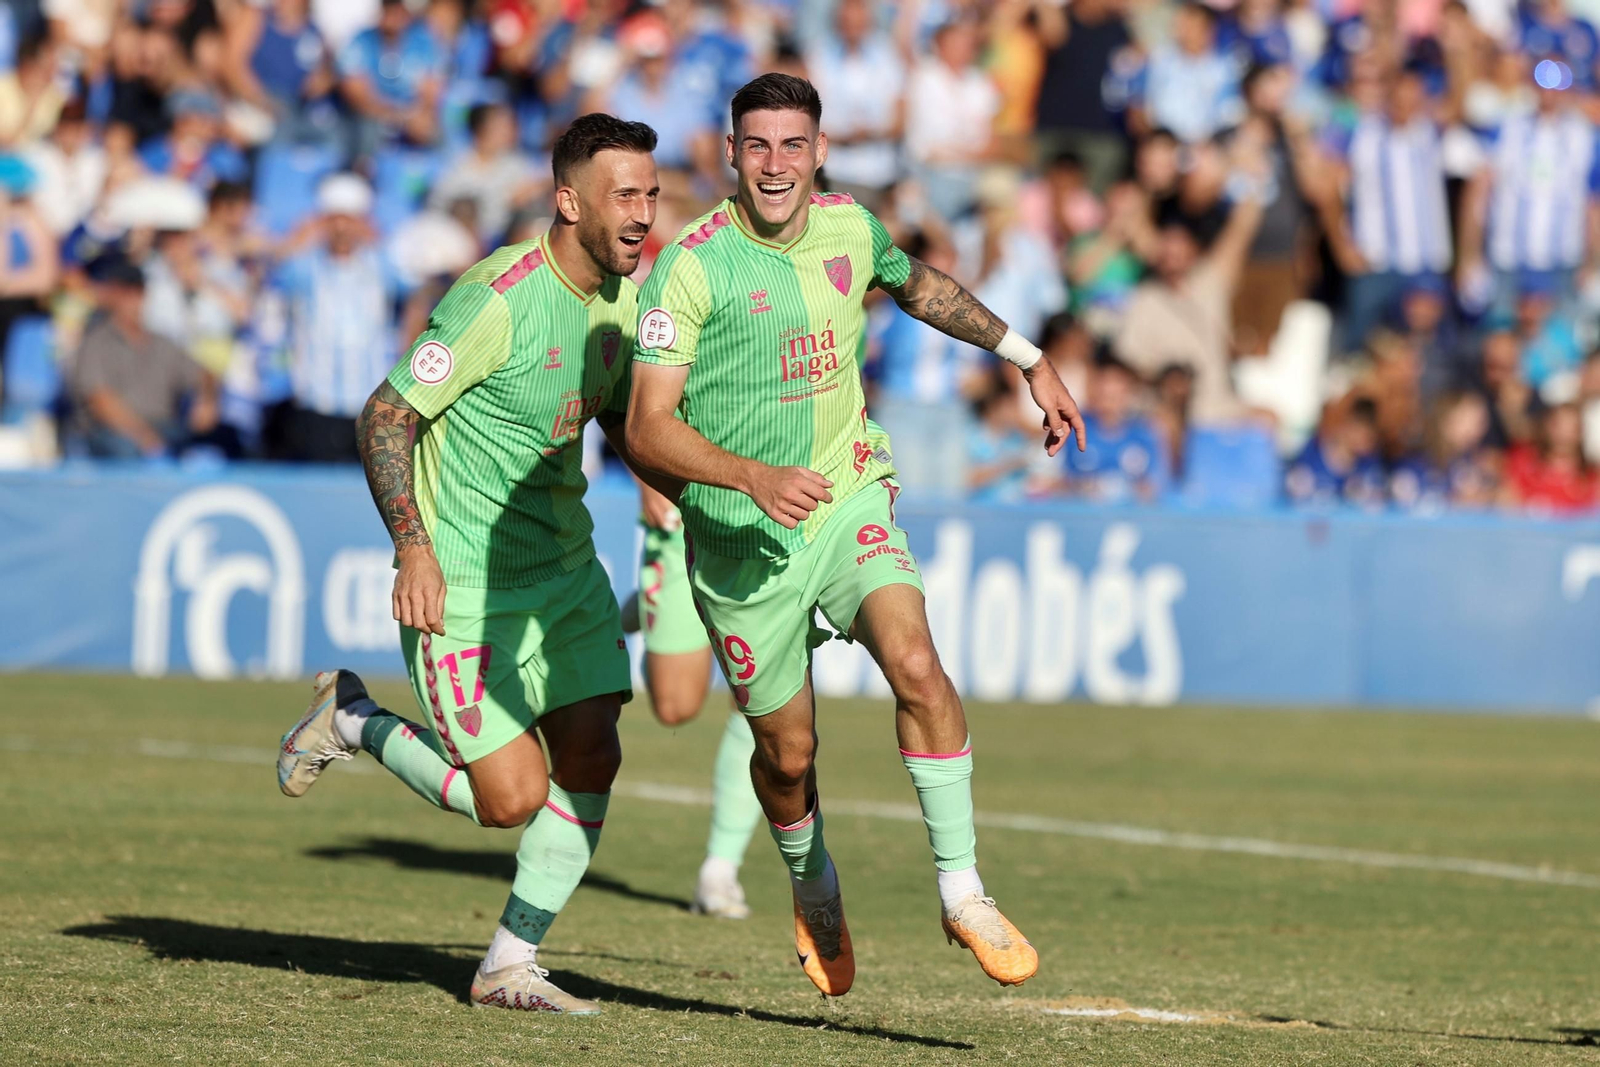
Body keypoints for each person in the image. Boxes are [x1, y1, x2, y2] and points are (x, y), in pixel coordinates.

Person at [625, 74, 1086, 997]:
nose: (775, 164)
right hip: (740, 546)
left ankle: (963, 891)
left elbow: (919, 288)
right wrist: (753, 478)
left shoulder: (851, 227)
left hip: (846, 501)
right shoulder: (691, 266)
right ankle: (813, 879)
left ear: (821, 151)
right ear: (729, 154)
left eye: (793, 145)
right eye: (756, 145)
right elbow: (645, 428)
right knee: (787, 756)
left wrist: (1029, 360)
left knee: (917, 662)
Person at [275, 114, 667, 1014]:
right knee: (509, 799)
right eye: (625, 194)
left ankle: (507, 964)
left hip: (565, 572)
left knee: (593, 751)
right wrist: (413, 545)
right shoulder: (496, 299)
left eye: (651, 192)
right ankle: (351, 719)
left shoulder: (626, 300)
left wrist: (654, 476)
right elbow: (384, 414)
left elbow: (605, 404)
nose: (644, 212)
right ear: (569, 201)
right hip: (463, 584)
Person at [625, 479, 764, 919]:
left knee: (761, 697)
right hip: (688, 502)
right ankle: (628, 612)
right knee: (675, 708)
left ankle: (719, 871)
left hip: (774, 517)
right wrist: (646, 479)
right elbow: (625, 410)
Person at [264, 173, 395, 463]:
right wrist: (298, 237)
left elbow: (422, 292)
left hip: (370, 405)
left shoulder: (382, 267)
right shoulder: (303, 268)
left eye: (349, 220)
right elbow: (268, 277)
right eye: (333, 220)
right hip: (316, 401)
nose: (341, 229)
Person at [66, 257, 220, 458]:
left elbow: (203, 373)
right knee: (126, 450)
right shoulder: (95, 343)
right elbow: (101, 402)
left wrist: (206, 398)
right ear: (112, 295)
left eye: (137, 291)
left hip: (163, 429)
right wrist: (146, 438)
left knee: (219, 443)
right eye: (124, 292)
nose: (132, 299)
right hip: (111, 433)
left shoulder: (163, 343)